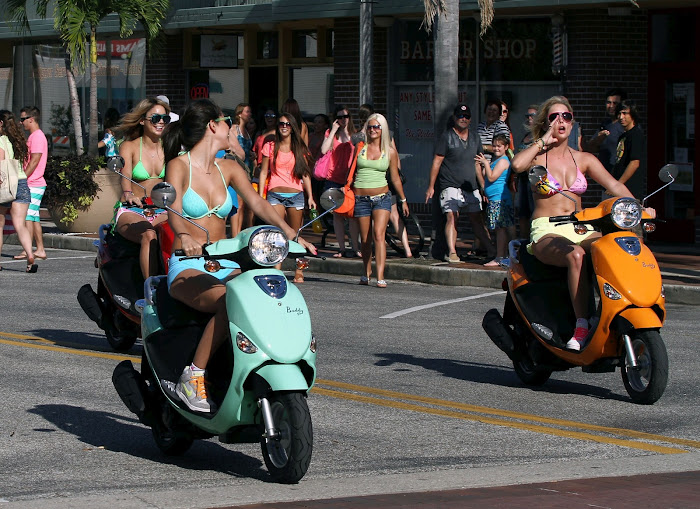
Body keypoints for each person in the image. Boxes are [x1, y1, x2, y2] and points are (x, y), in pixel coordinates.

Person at [163, 99, 316, 413]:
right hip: (189, 264)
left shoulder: (229, 167)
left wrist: (290, 233)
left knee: (263, 298)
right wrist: (183, 235)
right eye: (226, 119)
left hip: (224, 262)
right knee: (228, 301)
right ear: (213, 126)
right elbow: (173, 210)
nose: (231, 124)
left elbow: (259, 205)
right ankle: (193, 376)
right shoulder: (179, 165)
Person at [511, 96, 653, 352]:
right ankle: (581, 325)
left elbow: (615, 186)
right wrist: (543, 140)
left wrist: (639, 209)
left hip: (580, 226)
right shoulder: (536, 157)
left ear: (572, 121)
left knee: (615, 248)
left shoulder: (584, 158)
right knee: (576, 256)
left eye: (566, 116)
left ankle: (617, 309)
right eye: (554, 117)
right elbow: (517, 165)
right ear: (545, 122)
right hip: (547, 229)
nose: (561, 121)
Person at [426, 104, 494, 263]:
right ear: (455, 118)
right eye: (460, 116)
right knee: (452, 216)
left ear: (470, 119)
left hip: (470, 186)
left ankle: (491, 250)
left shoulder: (475, 137)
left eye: (466, 116)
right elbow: (437, 162)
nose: (463, 119)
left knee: (476, 218)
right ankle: (452, 251)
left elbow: (478, 163)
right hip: (449, 184)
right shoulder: (447, 136)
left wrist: (483, 187)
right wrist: (431, 186)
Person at [112, 97, 170, 279]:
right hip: (134, 208)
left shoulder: (171, 147)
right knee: (149, 235)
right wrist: (128, 193)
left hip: (163, 208)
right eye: (155, 118)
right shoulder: (128, 147)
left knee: (179, 233)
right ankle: (150, 292)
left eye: (165, 119)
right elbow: (125, 177)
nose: (160, 122)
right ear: (142, 120)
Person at [258, 113, 316, 283]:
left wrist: (310, 196)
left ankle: (299, 270)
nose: (284, 126)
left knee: (295, 233)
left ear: (292, 128)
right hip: (275, 193)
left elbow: (305, 174)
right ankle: (277, 268)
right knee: (277, 233)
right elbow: (263, 172)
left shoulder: (299, 148)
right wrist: (261, 195)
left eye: (288, 124)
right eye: (281, 124)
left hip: (296, 194)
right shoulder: (270, 145)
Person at [354, 113, 409, 288]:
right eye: (370, 127)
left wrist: (403, 199)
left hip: (382, 197)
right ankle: (365, 271)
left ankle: (380, 275)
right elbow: (349, 170)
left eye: (376, 127)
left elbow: (395, 178)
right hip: (361, 197)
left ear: (383, 129)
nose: (373, 130)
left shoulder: (389, 151)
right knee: (365, 239)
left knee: (379, 234)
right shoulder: (360, 147)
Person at [0, 110, 37, 272]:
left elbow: (1, 163)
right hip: (21, 182)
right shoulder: (18, 141)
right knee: (20, 224)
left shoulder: (1, 140)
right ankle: (30, 256)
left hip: (5, 183)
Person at [322, 105, 360, 258]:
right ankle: (342, 248)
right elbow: (324, 150)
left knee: (352, 215)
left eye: (345, 117)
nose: (343, 120)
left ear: (349, 118)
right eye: (339, 117)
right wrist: (332, 130)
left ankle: (355, 247)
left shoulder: (355, 134)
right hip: (333, 178)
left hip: (349, 180)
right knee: (337, 215)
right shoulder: (333, 134)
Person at [14, 107, 47, 262]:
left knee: (28, 217)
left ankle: (30, 250)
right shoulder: (34, 136)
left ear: (31, 119)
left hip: (34, 182)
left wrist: (23, 178)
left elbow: (35, 160)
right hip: (33, 182)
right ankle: (39, 249)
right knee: (33, 217)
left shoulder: (37, 137)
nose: (21, 123)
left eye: (23, 119)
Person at [476, 134, 515, 266]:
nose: (496, 148)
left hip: (500, 199)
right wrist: (480, 166)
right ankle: (506, 255)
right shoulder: (495, 160)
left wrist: (486, 163)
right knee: (502, 228)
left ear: (505, 147)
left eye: (499, 146)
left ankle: (500, 257)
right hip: (494, 199)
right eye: (494, 145)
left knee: (501, 229)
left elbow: (492, 177)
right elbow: (486, 178)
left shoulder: (503, 161)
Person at [583, 88, 626, 172]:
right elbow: (591, 148)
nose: (611, 106)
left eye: (615, 103)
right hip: (605, 174)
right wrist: (598, 139)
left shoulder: (626, 125)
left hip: (620, 174)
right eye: (608, 103)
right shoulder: (605, 124)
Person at [611, 99, 645, 199]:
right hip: (619, 189)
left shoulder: (636, 135)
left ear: (633, 114)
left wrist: (618, 185)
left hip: (630, 190)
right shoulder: (623, 136)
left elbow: (634, 163)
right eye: (619, 113)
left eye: (625, 113)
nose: (621, 117)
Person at [229, 103, 255, 236]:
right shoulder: (234, 129)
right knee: (238, 202)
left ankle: (243, 232)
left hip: (247, 168)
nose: (249, 114)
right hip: (237, 168)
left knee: (246, 204)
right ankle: (235, 234)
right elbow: (230, 146)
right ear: (239, 114)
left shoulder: (246, 131)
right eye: (247, 112)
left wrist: (251, 154)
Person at [515, 105, 538, 239]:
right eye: (527, 116)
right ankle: (523, 242)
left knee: (533, 210)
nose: (529, 118)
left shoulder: (540, 137)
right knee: (522, 211)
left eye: (532, 116)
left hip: (533, 179)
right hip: (522, 179)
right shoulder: (526, 136)